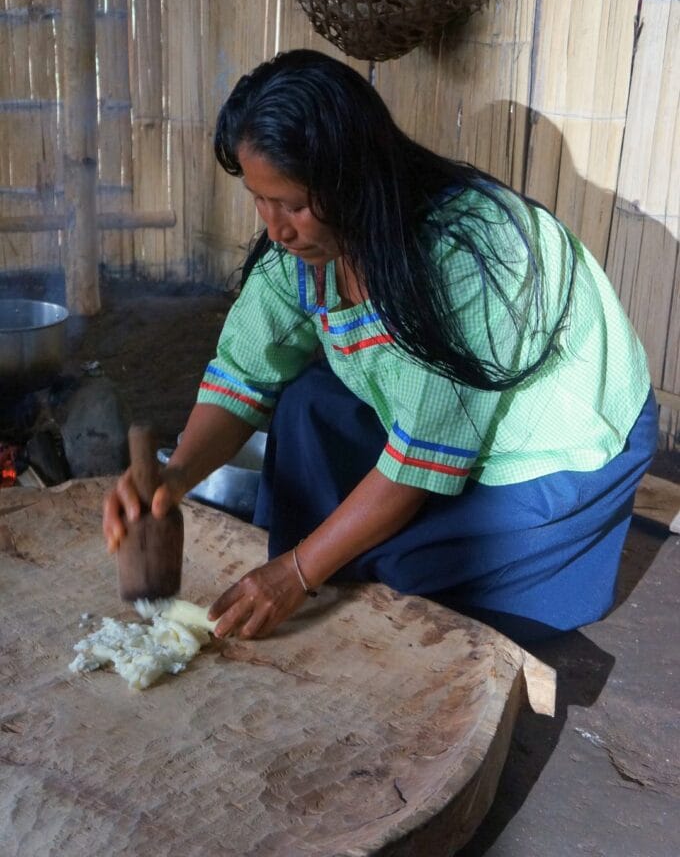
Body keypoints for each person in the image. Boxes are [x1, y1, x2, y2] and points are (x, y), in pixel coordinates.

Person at [103, 49, 657, 646]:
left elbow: (416, 466)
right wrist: (175, 476)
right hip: (439, 420)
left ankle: (349, 564)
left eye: (292, 204)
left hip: (558, 442)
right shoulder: (302, 252)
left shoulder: (466, 259)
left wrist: (294, 572)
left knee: (399, 577)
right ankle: (329, 557)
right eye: (260, 199)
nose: (275, 228)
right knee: (306, 407)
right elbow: (242, 377)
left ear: (353, 179)